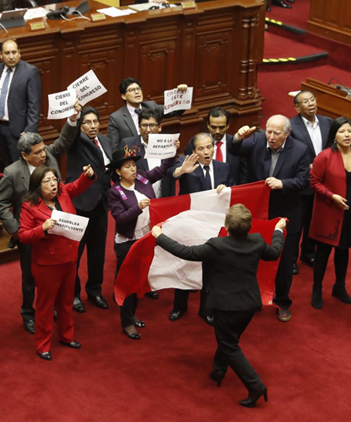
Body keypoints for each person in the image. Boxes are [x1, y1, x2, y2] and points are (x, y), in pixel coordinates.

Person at [152, 207, 286, 408]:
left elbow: (186, 252)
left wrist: (159, 236)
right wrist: (278, 230)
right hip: (249, 304)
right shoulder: (257, 241)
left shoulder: (217, 245)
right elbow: (274, 252)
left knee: (230, 346)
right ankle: (219, 369)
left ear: (226, 226)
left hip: (226, 307)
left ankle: (256, 386)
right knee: (230, 339)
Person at [0, 109, 80, 335]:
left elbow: (64, 141)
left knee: (56, 275)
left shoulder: (50, 156)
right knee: (30, 277)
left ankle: (50, 308)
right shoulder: (12, 173)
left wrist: (72, 120)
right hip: (31, 233)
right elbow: (1, 203)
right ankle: (28, 313)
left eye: (43, 150)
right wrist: (14, 230)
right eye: (38, 152)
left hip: (59, 230)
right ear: (25, 155)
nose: (43, 155)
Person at [231, 116, 310, 323]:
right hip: (258, 213)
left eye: (276, 133)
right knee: (254, 259)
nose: (271, 137)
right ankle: (254, 298)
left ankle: (282, 302)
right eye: (269, 131)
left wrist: (282, 183)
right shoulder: (257, 140)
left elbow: (304, 180)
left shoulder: (300, 149)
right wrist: (238, 138)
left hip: (287, 214)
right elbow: (236, 151)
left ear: (286, 133)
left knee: (284, 264)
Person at [108, 144, 185, 340]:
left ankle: (132, 313)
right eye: (127, 166)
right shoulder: (115, 192)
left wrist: (172, 151)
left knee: (139, 280)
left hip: (145, 237)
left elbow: (162, 169)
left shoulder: (142, 177)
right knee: (127, 282)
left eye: (133, 164)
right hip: (126, 242)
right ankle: (126, 322)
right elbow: (120, 219)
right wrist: (138, 208)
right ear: (118, 171)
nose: (133, 169)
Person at [19, 164, 95, 360]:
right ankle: (43, 344)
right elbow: (24, 236)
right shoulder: (29, 207)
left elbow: (77, 186)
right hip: (47, 264)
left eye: (54, 179)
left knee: (66, 300)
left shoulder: (62, 193)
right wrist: (42, 228)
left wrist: (87, 175)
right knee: (46, 305)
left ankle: (66, 336)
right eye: (47, 181)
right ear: (37, 186)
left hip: (69, 257)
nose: (53, 184)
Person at [169, 132, 233, 324]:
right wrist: (180, 171)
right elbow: (168, 175)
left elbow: (234, 188)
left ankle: (206, 309)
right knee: (186, 264)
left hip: (214, 225)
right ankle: (179, 306)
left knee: (211, 268)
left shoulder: (224, 167)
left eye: (209, 147)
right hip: (191, 224)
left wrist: (227, 189)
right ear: (194, 151)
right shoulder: (187, 165)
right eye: (201, 148)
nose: (206, 152)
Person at [309, 117, 351, 310]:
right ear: (334, 134)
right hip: (329, 212)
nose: (347, 135)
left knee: (343, 250)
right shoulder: (325, 156)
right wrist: (331, 196)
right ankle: (317, 289)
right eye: (342, 131)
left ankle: (339, 287)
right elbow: (314, 182)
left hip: (350, 212)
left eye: (349, 131)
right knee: (323, 252)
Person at [67, 107, 113, 313]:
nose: (92, 126)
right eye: (87, 122)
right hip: (79, 205)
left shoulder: (104, 141)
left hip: (101, 205)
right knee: (74, 255)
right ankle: (73, 294)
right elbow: (70, 131)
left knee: (98, 253)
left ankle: (94, 290)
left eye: (95, 122)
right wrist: (74, 115)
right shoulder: (75, 140)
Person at [0, 38, 42, 168]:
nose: (11, 56)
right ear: (1, 55)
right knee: (8, 166)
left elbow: (34, 105)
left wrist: (29, 132)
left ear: (19, 53)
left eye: (14, 52)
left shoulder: (30, 72)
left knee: (21, 167)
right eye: (7, 53)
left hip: (19, 131)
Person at [289, 91, 332, 269]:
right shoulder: (291, 126)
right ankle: (291, 259)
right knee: (297, 223)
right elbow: (289, 154)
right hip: (301, 183)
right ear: (297, 107)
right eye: (305, 101)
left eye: (313, 99)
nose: (311, 103)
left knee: (314, 221)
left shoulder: (328, 122)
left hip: (322, 183)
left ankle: (308, 252)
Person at [107, 77, 187, 151]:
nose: (137, 92)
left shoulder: (151, 106)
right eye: (131, 90)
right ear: (123, 96)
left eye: (138, 88)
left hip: (155, 152)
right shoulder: (116, 118)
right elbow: (114, 147)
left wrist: (182, 95)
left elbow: (176, 111)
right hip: (134, 158)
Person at [184, 107, 247, 187]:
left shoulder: (237, 144)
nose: (217, 131)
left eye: (221, 127)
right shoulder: (195, 143)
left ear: (228, 125)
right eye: (213, 127)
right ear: (208, 125)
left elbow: (243, 175)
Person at [121, 108, 172, 198]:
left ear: (160, 127)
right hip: (138, 202)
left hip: (164, 198)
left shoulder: (169, 145)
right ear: (139, 127)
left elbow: (171, 174)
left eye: (152, 125)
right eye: (144, 125)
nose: (148, 130)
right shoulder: (128, 145)